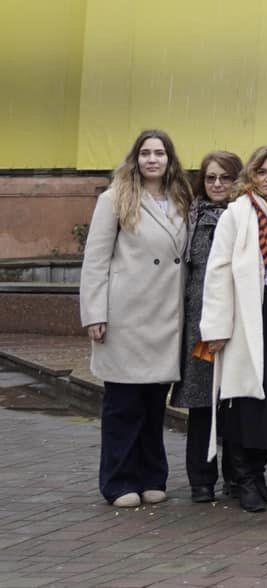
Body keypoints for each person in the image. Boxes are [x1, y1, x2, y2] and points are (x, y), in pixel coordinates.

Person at [81, 129, 191, 508]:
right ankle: (118, 481)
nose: (152, 159)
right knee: (123, 404)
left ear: (169, 159)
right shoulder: (115, 199)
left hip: (166, 316)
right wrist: (94, 313)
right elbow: (95, 260)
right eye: (145, 153)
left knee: (153, 404)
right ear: (136, 158)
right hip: (126, 315)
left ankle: (151, 476)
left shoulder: (181, 199)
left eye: (159, 153)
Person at [199, 146, 267, 513]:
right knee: (245, 398)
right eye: (262, 172)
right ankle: (241, 478)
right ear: (253, 175)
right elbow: (217, 271)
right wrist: (216, 326)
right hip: (250, 312)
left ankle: (259, 474)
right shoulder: (239, 213)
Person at [173, 150, 240, 503]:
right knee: (202, 404)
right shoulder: (191, 217)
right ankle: (201, 480)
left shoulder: (246, 216)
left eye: (225, 178)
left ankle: (236, 476)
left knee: (235, 402)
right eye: (211, 178)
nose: (217, 185)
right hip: (201, 328)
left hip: (239, 323)